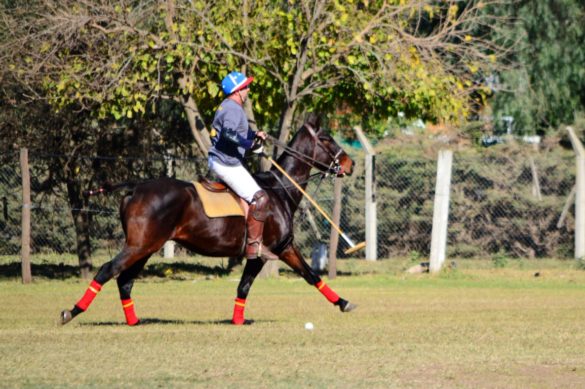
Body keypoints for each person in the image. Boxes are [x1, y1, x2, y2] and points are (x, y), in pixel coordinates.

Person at [208, 71, 278, 261]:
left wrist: (254, 135)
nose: (248, 90)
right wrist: (250, 145)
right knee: (261, 198)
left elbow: (238, 132)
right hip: (226, 163)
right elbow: (228, 134)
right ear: (238, 90)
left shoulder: (230, 107)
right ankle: (254, 247)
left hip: (224, 160)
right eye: (245, 87)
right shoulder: (233, 109)